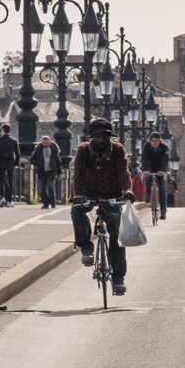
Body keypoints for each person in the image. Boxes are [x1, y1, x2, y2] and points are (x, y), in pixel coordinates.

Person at [70, 118, 134, 296]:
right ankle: (86, 248)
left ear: (110, 137)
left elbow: (123, 171)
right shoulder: (84, 150)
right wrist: (78, 195)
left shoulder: (117, 149)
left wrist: (127, 190)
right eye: (97, 137)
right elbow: (79, 173)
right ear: (92, 137)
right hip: (88, 191)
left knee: (116, 233)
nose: (101, 140)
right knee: (77, 211)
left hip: (112, 193)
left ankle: (118, 278)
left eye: (105, 137)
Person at [140, 131, 169, 220]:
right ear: (150, 140)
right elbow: (144, 158)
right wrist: (145, 169)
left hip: (160, 168)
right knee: (148, 180)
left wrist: (162, 170)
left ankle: (163, 210)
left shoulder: (164, 148)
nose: (154, 143)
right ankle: (148, 194)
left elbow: (165, 160)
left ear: (160, 141)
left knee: (162, 189)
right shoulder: (146, 147)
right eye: (152, 141)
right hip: (150, 168)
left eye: (156, 141)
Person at [0, 123, 20, 207]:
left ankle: (2, 197)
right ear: (9, 130)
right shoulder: (13, 140)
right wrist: (16, 164)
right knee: (10, 182)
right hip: (10, 162)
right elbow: (18, 154)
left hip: (1, 162)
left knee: (2, 181)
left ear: (2, 130)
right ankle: (9, 201)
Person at [31, 136, 62, 208]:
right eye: (43, 142)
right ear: (41, 142)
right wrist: (38, 163)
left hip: (51, 171)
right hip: (41, 171)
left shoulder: (54, 150)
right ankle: (45, 204)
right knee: (43, 188)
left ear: (49, 142)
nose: (45, 144)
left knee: (50, 186)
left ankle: (53, 202)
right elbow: (32, 159)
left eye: (46, 142)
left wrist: (59, 173)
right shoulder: (38, 150)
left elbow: (58, 162)